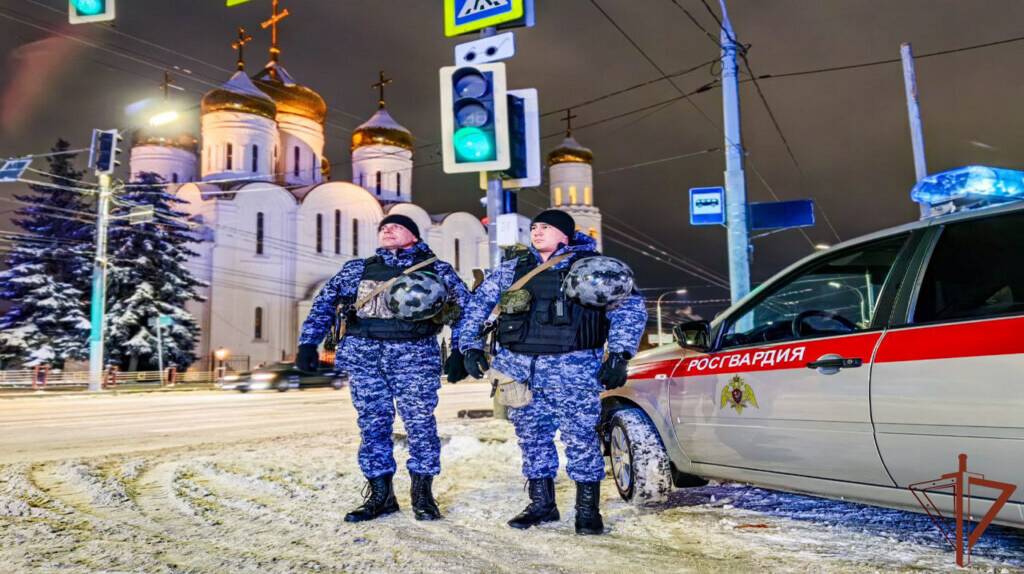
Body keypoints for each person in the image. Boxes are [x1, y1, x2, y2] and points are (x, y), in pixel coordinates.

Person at [458, 209, 647, 535]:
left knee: (581, 439)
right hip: (519, 368)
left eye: (546, 227)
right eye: (534, 227)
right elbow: (477, 306)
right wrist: (469, 346)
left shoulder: (592, 267)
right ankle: (542, 504)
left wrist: (619, 355)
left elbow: (628, 308)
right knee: (531, 439)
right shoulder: (513, 269)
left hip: (571, 368)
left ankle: (587, 511)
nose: (537, 232)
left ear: (565, 234)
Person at [297, 214, 471, 522]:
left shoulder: (437, 270)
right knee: (372, 427)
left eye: (396, 226)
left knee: (420, 426)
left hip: (414, 359)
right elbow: (324, 303)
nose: (387, 229)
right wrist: (308, 343)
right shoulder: (357, 270)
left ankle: (422, 495)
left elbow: (466, 312)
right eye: (383, 227)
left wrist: (460, 350)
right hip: (365, 360)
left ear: (414, 236)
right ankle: (380, 496)